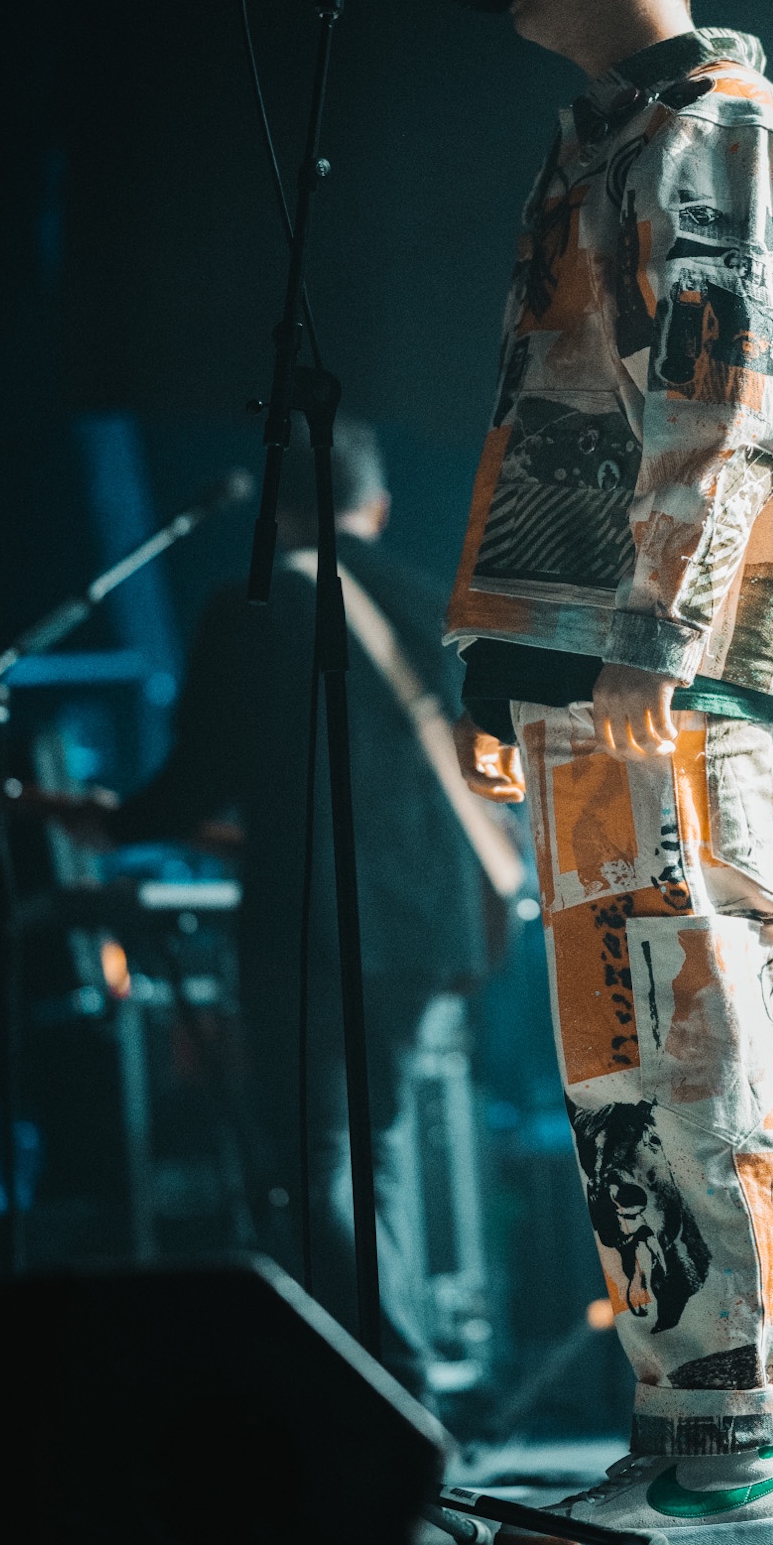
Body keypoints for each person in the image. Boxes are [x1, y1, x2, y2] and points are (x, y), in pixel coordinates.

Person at [449, 0, 773, 1545]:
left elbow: (734, 400)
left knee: (679, 1054)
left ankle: (727, 1452)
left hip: (665, 676)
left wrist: (646, 641)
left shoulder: (723, 137)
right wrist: (512, 660)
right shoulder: (613, 140)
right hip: (605, 673)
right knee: (649, 1056)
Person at [114, 420, 499, 1380]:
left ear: (274, 513)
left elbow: (200, 775)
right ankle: (404, 1375)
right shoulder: (432, 607)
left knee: (317, 1158)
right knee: (378, 1145)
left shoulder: (254, 608)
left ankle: (395, 1385)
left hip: (317, 925)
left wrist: (123, 824)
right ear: (378, 506)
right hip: (429, 925)